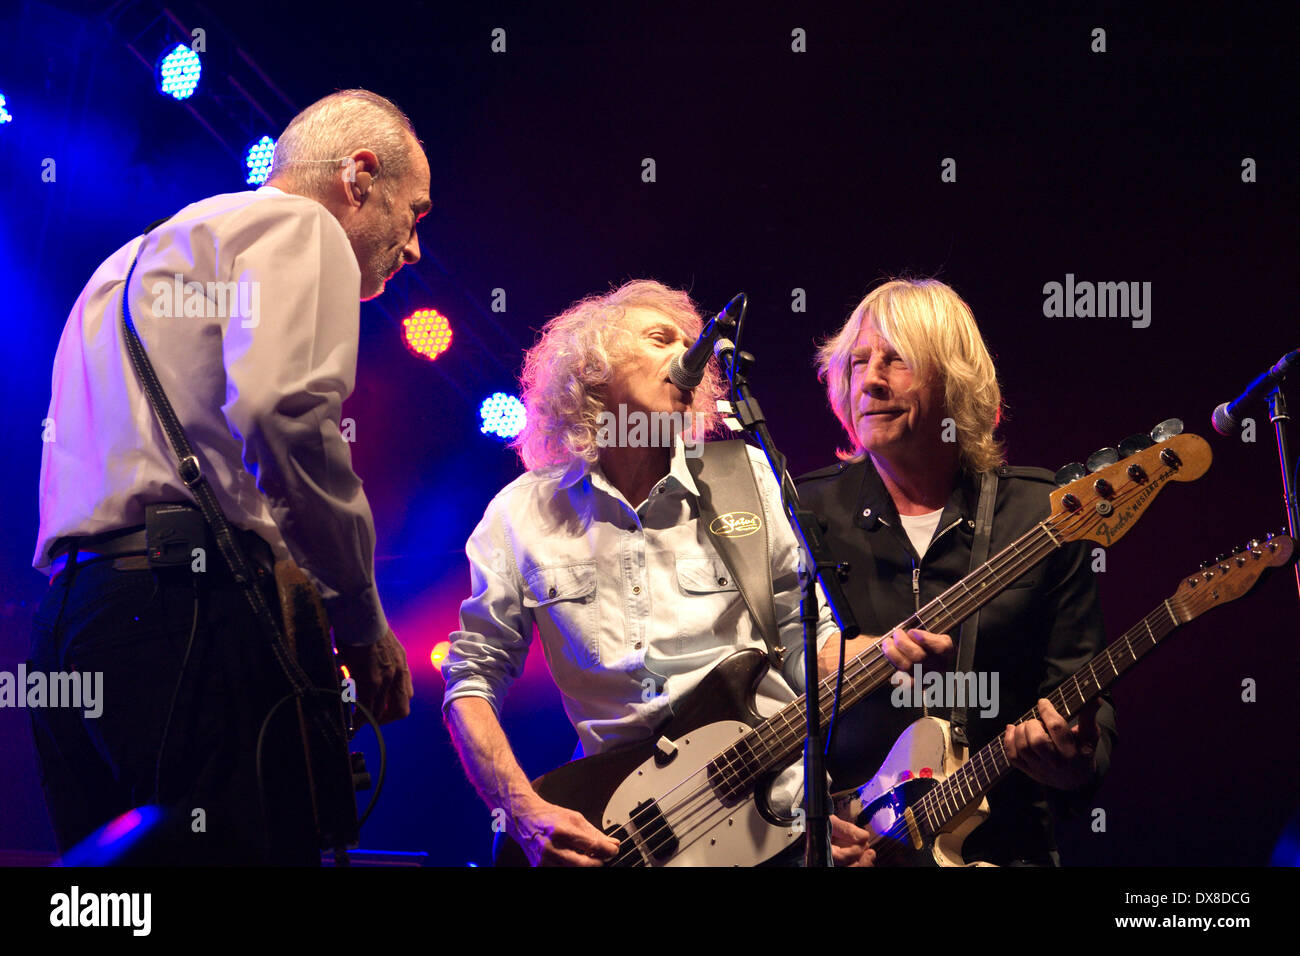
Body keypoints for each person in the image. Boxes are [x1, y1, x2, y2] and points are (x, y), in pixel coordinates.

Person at [30, 89, 420, 864]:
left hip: (71, 622)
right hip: (187, 611)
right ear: (361, 176)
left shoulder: (124, 264)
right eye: (418, 211)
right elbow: (283, 412)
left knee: (116, 900)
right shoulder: (303, 224)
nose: (413, 248)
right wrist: (361, 618)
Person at [441, 279, 950, 866]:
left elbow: (804, 645)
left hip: (771, 820)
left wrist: (883, 652)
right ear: (592, 369)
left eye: (692, 342)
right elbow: (471, 681)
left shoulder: (748, 478)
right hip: (623, 831)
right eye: (661, 338)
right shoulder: (519, 515)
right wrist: (524, 810)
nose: (690, 354)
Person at [796, 277, 1117, 866]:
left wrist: (1074, 765)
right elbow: (766, 695)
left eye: (897, 360)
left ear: (956, 378)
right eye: (858, 362)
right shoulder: (802, 511)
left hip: (1002, 848)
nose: (870, 379)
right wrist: (805, 832)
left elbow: (1083, 693)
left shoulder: (1044, 513)